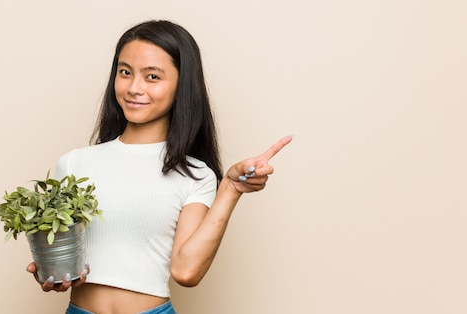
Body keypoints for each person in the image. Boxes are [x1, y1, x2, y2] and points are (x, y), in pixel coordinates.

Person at [26, 20, 293, 314]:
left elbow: (186, 271)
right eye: (125, 72)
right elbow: (60, 258)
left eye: (152, 76)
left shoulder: (195, 175)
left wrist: (230, 188)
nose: (134, 88)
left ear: (182, 84)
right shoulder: (75, 163)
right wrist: (53, 273)